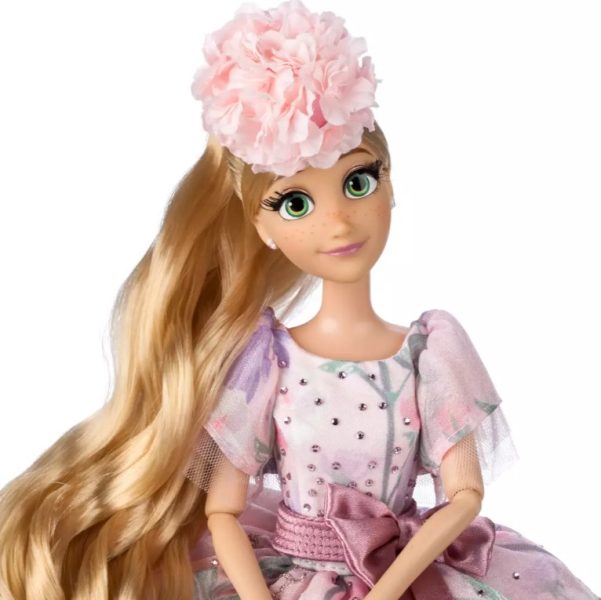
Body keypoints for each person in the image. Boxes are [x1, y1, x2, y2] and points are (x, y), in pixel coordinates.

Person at [0, 1, 598, 599]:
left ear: (390, 186)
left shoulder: (431, 352)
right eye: (296, 203)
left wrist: (385, 590)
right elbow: (221, 511)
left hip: (403, 576)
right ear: (262, 226)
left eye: (358, 182)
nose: (337, 221)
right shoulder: (269, 360)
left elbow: (464, 497)